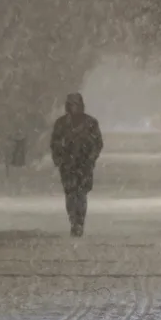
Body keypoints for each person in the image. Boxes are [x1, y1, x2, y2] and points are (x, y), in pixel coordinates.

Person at [50, 93, 104, 237]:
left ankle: (79, 221)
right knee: (70, 194)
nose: (73, 107)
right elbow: (54, 143)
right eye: (70, 104)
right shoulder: (61, 124)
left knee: (81, 194)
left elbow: (98, 143)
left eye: (75, 104)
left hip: (84, 164)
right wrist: (59, 158)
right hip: (67, 165)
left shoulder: (91, 123)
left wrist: (91, 158)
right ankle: (73, 220)